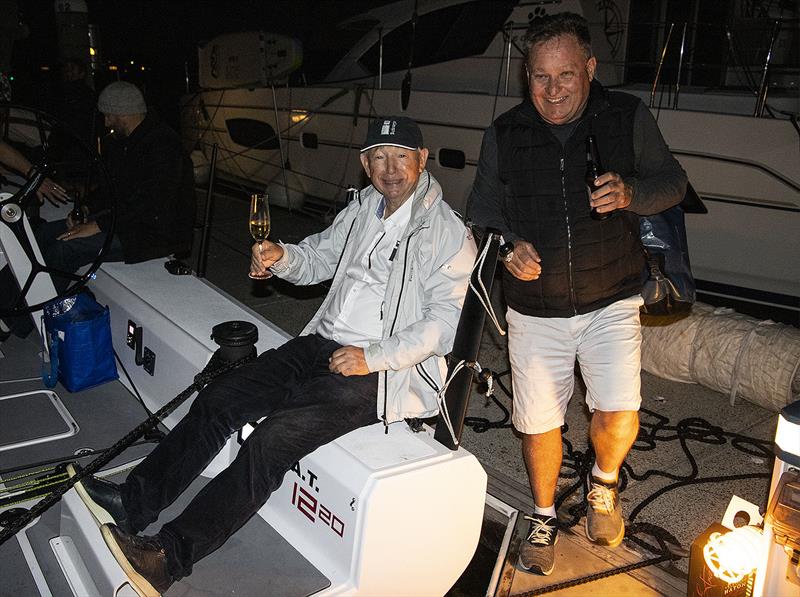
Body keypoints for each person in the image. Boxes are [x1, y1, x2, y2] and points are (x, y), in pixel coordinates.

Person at [68, 116, 476, 595]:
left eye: (401, 156)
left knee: (270, 441)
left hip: (378, 371)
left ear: (422, 160)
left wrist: (373, 355)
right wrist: (283, 256)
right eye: (379, 157)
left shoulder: (446, 232)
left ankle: (168, 557)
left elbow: (443, 324)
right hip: (318, 343)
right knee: (220, 397)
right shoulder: (365, 206)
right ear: (365, 164)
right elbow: (320, 258)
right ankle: (133, 502)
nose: (390, 169)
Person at [466, 13, 687, 576]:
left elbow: (674, 183)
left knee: (618, 414)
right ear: (526, 76)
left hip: (611, 296)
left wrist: (632, 191)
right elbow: (482, 212)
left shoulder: (626, 116)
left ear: (589, 68)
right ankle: (542, 514)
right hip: (535, 308)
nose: (553, 89)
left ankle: (604, 485)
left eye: (566, 74)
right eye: (541, 77)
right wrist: (508, 244)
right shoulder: (505, 133)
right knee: (539, 423)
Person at [31, 80, 195, 290]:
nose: (106, 123)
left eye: (109, 116)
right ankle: (16, 298)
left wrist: (98, 226)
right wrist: (86, 207)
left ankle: (40, 311)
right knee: (44, 233)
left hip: (156, 232)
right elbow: (112, 188)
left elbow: (152, 202)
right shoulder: (124, 142)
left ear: (124, 114)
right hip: (126, 220)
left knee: (65, 249)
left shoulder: (163, 145)